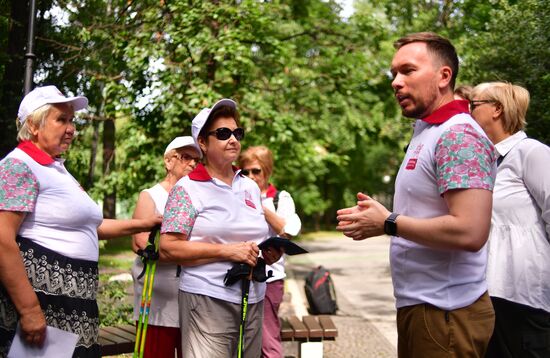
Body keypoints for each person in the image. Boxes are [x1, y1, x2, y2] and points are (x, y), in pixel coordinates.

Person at [336, 32, 498, 357]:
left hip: (446, 312)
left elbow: (470, 231)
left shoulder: (458, 135)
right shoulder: (428, 131)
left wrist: (389, 223)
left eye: (407, 71)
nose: (396, 82)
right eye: (394, 73)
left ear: (444, 76)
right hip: (423, 308)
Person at [0, 86, 160, 358]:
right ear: (33, 125)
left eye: (72, 120)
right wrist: (29, 310)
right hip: (45, 300)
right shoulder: (20, 165)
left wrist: (146, 222)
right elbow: (2, 238)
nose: (71, 128)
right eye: (61, 119)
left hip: (72, 301)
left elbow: (91, 227)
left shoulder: (55, 169)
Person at [159, 99, 282, 357]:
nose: (233, 139)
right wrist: (227, 252)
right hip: (207, 299)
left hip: (254, 297)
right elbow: (168, 248)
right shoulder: (187, 188)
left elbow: (254, 237)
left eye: (237, 133)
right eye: (223, 134)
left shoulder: (248, 186)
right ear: (202, 142)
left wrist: (268, 253)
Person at [470, 82, 550, 358]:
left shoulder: (532, 153)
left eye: (473, 105)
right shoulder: (482, 161)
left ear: (497, 109)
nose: (467, 112)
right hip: (487, 294)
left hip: (526, 295)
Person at [130, 136, 201, 358]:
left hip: (193, 296)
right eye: (186, 157)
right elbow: (139, 242)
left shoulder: (198, 197)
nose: (192, 164)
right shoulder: (151, 195)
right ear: (169, 161)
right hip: (157, 298)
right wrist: (187, 253)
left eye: (197, 160)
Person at [238, 145, 301, 358]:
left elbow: (288, 230)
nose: (251, 176)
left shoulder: (279, 198)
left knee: (267, 340)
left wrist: (260, 206)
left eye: (256, 171)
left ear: (267, 171)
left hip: (269, 279)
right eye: (245, 171)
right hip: (237, 277)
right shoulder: (234, 194)